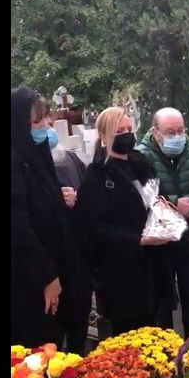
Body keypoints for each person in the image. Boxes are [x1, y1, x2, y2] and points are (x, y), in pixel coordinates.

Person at [75, 107, 175, 336]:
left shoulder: (140, 163)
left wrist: (165, 213)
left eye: (129, 129)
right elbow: (96, 229)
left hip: (154, 267)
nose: (127, 134)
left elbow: (157, 197)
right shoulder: (97, 175)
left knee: (161, 334)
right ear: (105, 136)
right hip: (122, 274)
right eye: (119, 131)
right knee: (132, 338)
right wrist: (139, 240)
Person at [11, 86, 90, 353]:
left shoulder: (37, 156)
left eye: (45, 117)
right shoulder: (15, 162)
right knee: (41, 359)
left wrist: (62, 201)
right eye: (37, 120)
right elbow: (19, 229)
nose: (46, 124)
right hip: (31, 285)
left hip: (60, 270)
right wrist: (48, 277)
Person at [138, 108, 189, 338]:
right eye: (170, 132)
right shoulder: (141, 156)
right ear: (155, 132)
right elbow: (142, 194)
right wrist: (174, 204)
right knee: (162, 303)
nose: (177, 137)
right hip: (159, 241)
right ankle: (166, 351)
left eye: (181, 130)